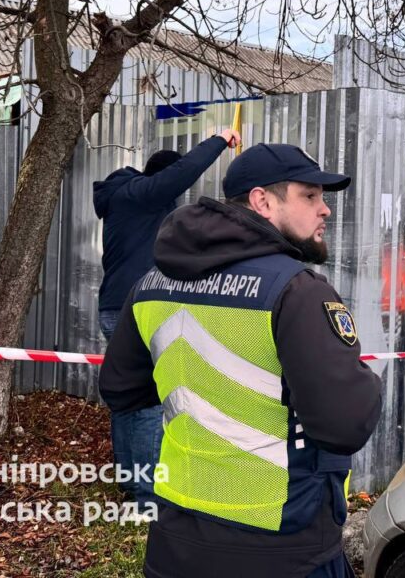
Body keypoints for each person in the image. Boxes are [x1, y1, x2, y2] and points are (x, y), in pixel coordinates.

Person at [99, 142, 382, 578]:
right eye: (309, 195)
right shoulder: (296, 290)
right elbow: (346, 424)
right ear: (262, 201)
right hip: (284, 545)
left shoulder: (150, 285)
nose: (324, 209)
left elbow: (120, 390)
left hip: (176, 537)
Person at [92, 128, 240, 507]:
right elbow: (181, 174)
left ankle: (130, 483)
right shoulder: (141, 195)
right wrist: (220, 140)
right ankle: (147, 497)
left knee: (128, 398)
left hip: (116, 307)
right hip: (138, 311)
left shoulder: (125, 203)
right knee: (150, 400)